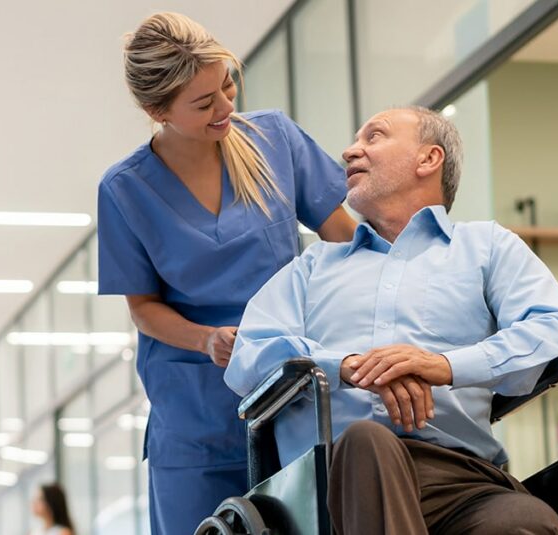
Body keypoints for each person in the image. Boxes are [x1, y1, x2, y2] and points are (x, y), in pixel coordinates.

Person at [226, 106, 558, 534]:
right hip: (332, 482)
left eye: (374, 137)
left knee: (529, 520)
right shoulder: (313, 267)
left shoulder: (486, 247)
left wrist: (443, 366)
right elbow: (249, 355)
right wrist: (349, 368)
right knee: (366, 441)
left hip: (459, 477)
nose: (350, 151)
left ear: (428, 159)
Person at [96, 12, 357, 535]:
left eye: (228, 84)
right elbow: (143, 310)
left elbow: (343, 236)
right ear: (157, 111)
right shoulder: (125, 190)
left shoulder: (274, 140)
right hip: (195, 418)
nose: (226, 107)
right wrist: (205, 338)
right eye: (203, 102)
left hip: (291, 398)